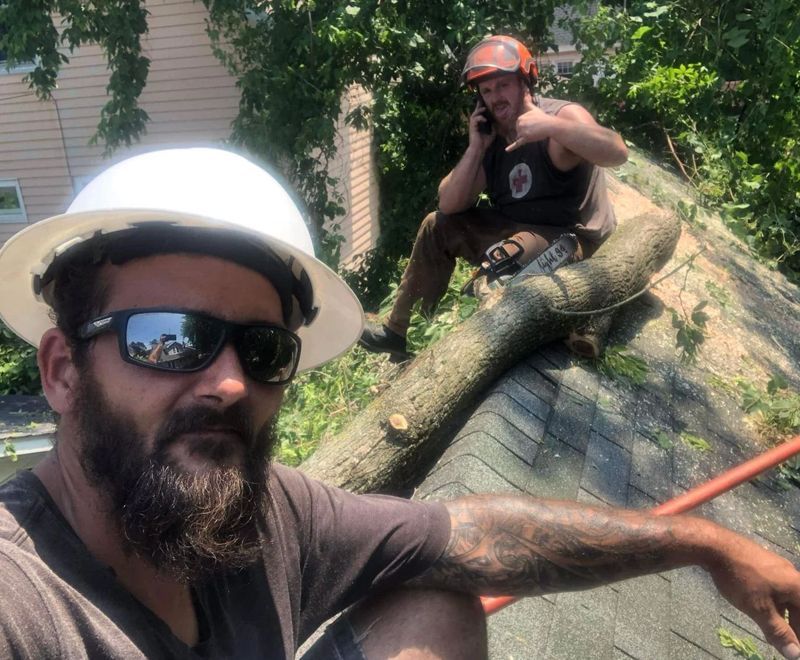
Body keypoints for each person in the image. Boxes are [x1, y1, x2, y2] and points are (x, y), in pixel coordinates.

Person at [0, 147, 798, 660]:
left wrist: (704, 545)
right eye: (169, 338)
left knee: (433, 600)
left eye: (265, 349)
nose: (232, 382)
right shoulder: (24, 602)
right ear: (63, 369)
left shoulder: (268, 515)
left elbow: (470, 536)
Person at [360, 35, 629, 359]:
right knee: (437, 225)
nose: (495, 97)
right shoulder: (493, 137)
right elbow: (449, 204)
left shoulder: (560, 118)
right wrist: (476, 147)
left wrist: (551, 128)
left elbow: (617, 151)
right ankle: (400, 332)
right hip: (516, 225)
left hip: (570, 237)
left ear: (524, 82)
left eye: (502, 86)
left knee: (511, 255)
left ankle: (465, 342)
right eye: (486, 91)